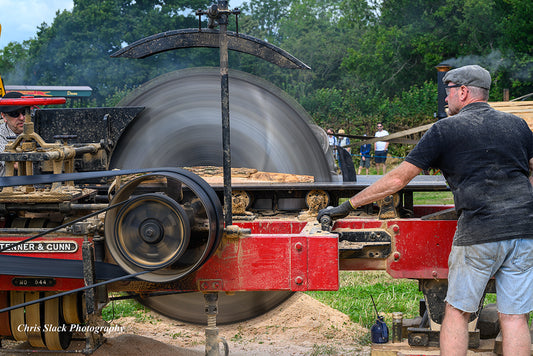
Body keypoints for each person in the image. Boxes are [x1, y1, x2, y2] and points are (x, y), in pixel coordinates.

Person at [317, 65, 533, 356]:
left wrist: (347, 205)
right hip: (524, 231)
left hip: (480, 232)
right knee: (515, 317)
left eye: (448, 91)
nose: (445, 98)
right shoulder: (517, 125)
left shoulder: (445, 129)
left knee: (457, 313)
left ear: (464, 92)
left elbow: (397, 179)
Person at [0, 92, 27, 176]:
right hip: (8, 187)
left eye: (24, 112)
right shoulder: (1, 135)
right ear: (4, 116)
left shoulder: (39, 130)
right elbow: (16, 163)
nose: (22, 118)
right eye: (15, 114)